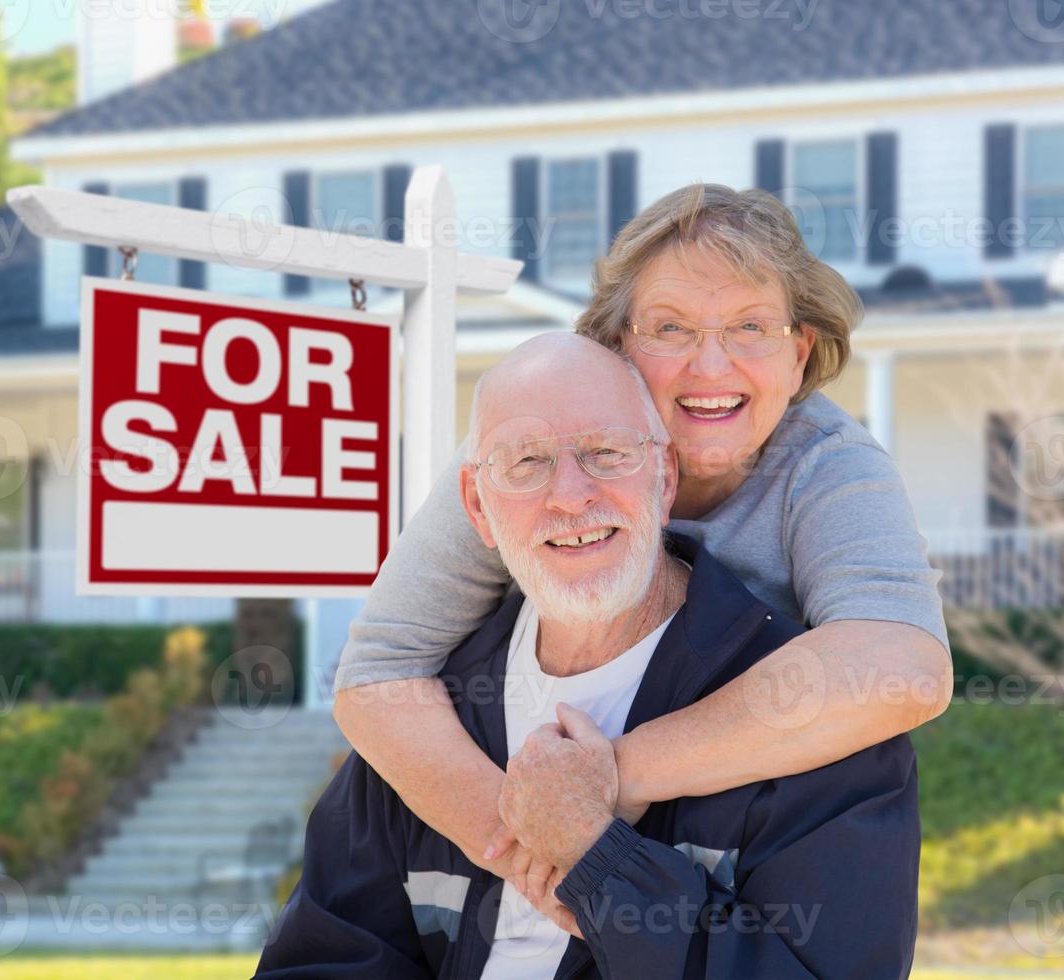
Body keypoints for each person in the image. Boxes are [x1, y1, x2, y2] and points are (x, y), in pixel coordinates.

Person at [330, 184, 950, 905]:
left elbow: (901, 666)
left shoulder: (826, 463)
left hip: (739, 854)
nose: (710, 368)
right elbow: (377, 672)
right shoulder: (522, 451)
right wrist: (528, 852)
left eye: (750, 327)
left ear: (798, 352)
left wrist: (609, 777)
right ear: (615, 346)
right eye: (670, 328)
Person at [255, 334, 920, 979]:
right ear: (476, 508)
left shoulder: (816, 725)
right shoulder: (428, 722)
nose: (569, 495)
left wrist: (600, 866)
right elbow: (324, 957)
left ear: (663, 479)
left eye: (606, 452)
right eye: (525, 462)